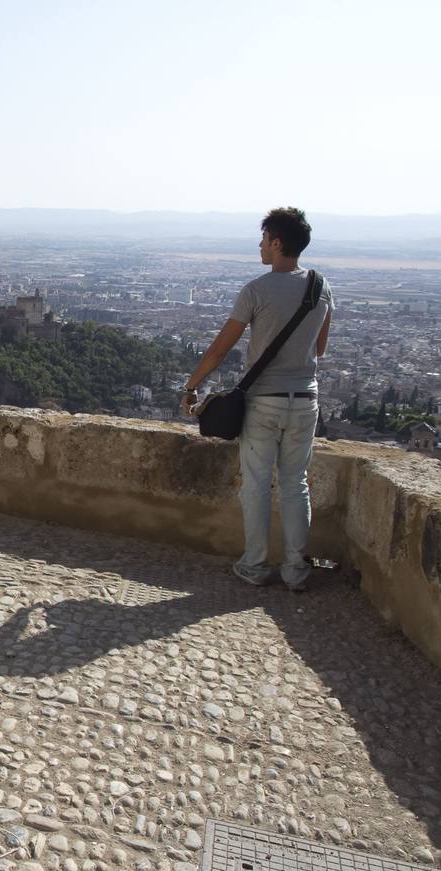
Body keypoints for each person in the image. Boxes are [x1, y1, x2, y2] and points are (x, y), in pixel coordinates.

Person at [180, 207, 333, 591]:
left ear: (277, 243)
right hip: (305, 400)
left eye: (264, 240)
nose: (260, 247)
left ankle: (255, 565)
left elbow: (219, 350)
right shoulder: (321, 287)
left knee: (257, 483)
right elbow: (321, 347)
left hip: (265, 400)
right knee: (295, 483)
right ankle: (296, 570)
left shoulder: (257, 290)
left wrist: (191, 386)